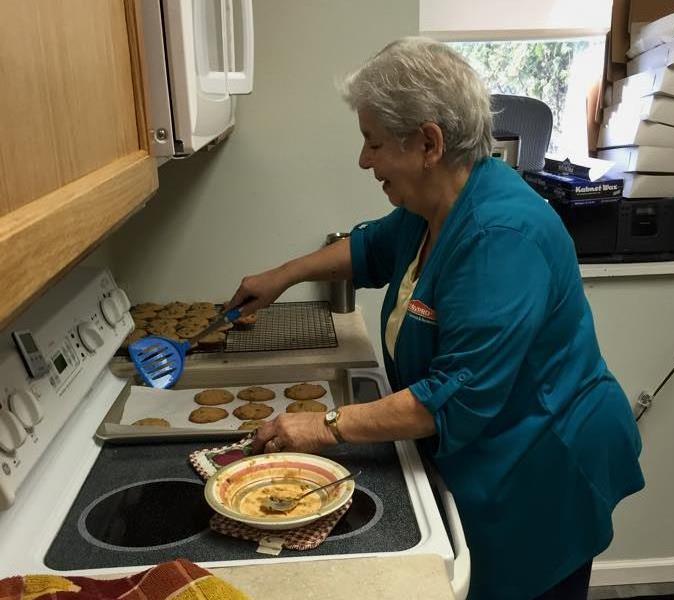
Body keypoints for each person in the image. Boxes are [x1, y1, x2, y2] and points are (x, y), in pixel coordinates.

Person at [229, 37, 644, 600]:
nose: (363, 160)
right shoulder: (434, 206)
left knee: (526, 585)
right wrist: (283, 276)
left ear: (428, 143)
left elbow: (457, 394)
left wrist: (326, 425)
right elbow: (369, 248)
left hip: (545, 467)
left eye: (373, 143)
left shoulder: (502, 236)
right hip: (496, 448)